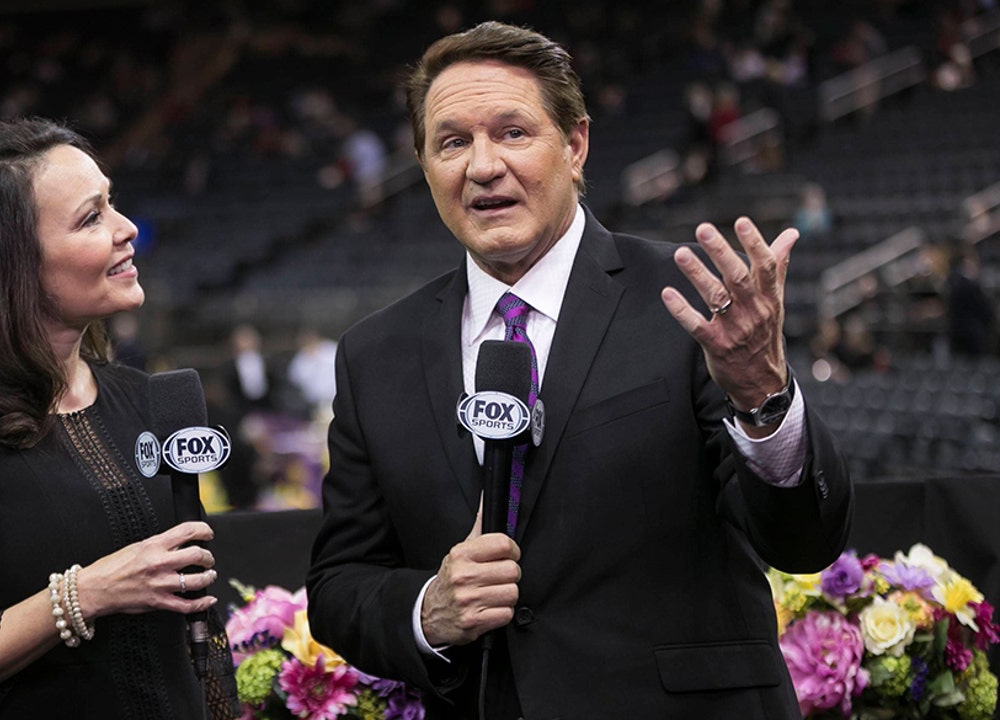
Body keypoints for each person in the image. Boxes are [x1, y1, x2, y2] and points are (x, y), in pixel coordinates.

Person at [306, 22, 851, 720]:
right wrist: (427, 609)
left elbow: (804, 542)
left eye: (512, 133)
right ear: (424, 164)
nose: (481, 166)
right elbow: (339, 585)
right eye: (451, 142)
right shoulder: (373, 354)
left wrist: (764, 399)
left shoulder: (693, 307)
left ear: (575, 145)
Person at [0, 118, 239, 719]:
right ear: (11, 265)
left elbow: (200, 623)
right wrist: (84, 595)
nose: (127, 229)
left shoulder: (148, 400)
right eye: (91, 218)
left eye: (111, 203)